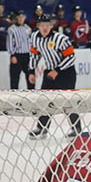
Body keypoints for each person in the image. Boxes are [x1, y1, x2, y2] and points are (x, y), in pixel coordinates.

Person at [27, 9, 80, 138]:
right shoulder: (34, 37)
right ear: (38, 26)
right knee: (45, 100)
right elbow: (34, 55)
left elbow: (71, 57)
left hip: (66, 72)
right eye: (42, 25)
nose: (45, 28)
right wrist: (31, 72)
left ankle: (76, 129)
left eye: (47, 25)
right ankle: (42, 127)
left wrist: (58, 70)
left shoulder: (60, 38)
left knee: (68, 101)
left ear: (51, 26)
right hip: (50, 71)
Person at [5, 8, 32, 91]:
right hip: (17, 55)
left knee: (30, 76)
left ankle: (32, 94)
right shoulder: (12, 29)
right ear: (16, 18)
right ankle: (14, 95)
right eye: (19, 17)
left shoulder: (28, 28)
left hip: (27, 55)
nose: (21, 19)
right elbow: (9, 43)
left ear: (24, 17)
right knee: (14, 78)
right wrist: (12, 54)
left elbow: (30, 41)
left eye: (22, 17)